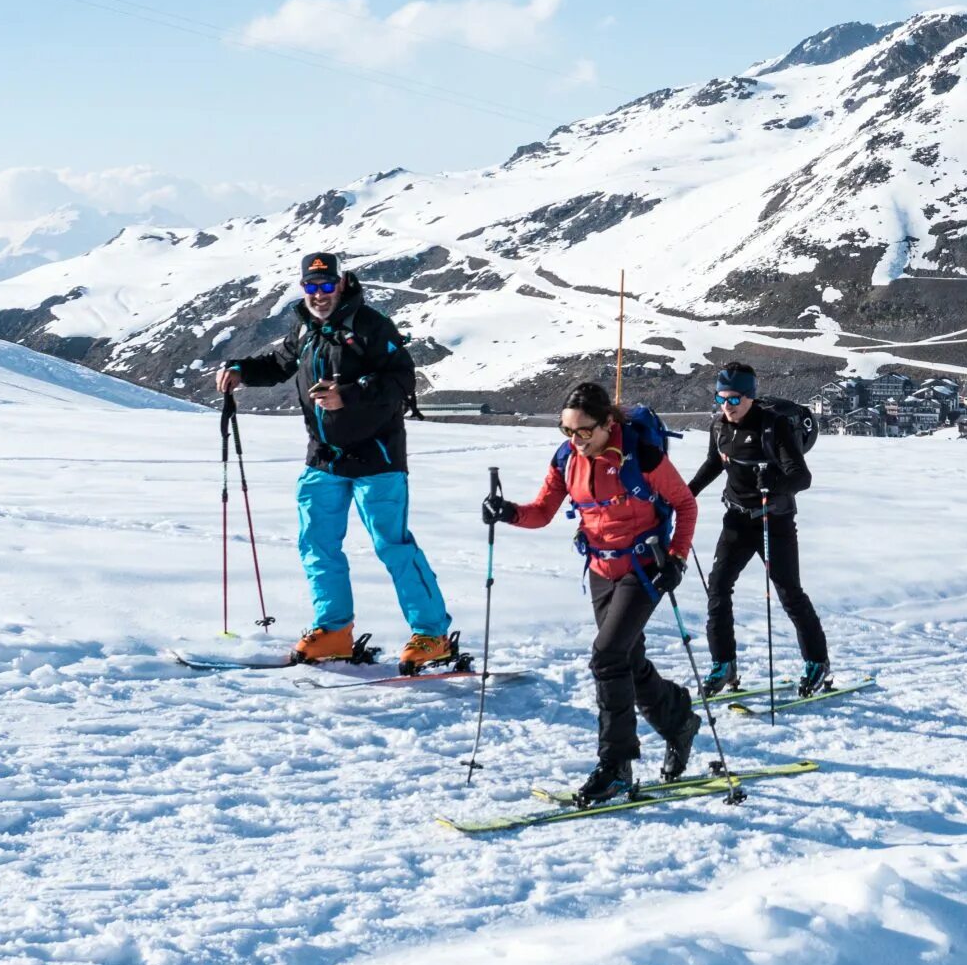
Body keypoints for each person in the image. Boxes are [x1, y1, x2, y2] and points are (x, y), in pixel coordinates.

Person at [217, 251, 452, 668]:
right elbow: (279, 364)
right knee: (317, 544)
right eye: (311, 286)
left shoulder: (371, 326)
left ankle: (432, 635)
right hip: (324, 458)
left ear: (341, 284)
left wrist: (349, 394)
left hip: (377, 459)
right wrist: (239, 369)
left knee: (392, 546)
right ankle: (333, 630)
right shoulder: (305, 326)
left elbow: (402, 380)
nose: (319, 294)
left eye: (326, 286)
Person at [484, 382, 702, 805]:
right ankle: (678, 719)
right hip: (601, 569)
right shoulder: (567, 459)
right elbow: (542, 512)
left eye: (584, 431)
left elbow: (686, 505)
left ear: (608, 424)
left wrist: (676, 557)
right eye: (567, 430)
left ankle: (616, 766)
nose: (575, 439)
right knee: (626, 660)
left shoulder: (642, 455)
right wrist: (507, 512)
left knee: (606, 657)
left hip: (645, 568)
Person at [686, 362, 831, 698]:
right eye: (721, 398)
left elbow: (801, 477)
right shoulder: (719, 427)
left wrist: (776, 482)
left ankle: (817, 662)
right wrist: (685, 493)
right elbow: (714, 463)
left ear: (750, 397)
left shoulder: (773, 426)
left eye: (734, 399)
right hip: (736, 520)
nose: (727, 406)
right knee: (718, 588)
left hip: (773, 521)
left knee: (789, 593)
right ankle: (724, 664)